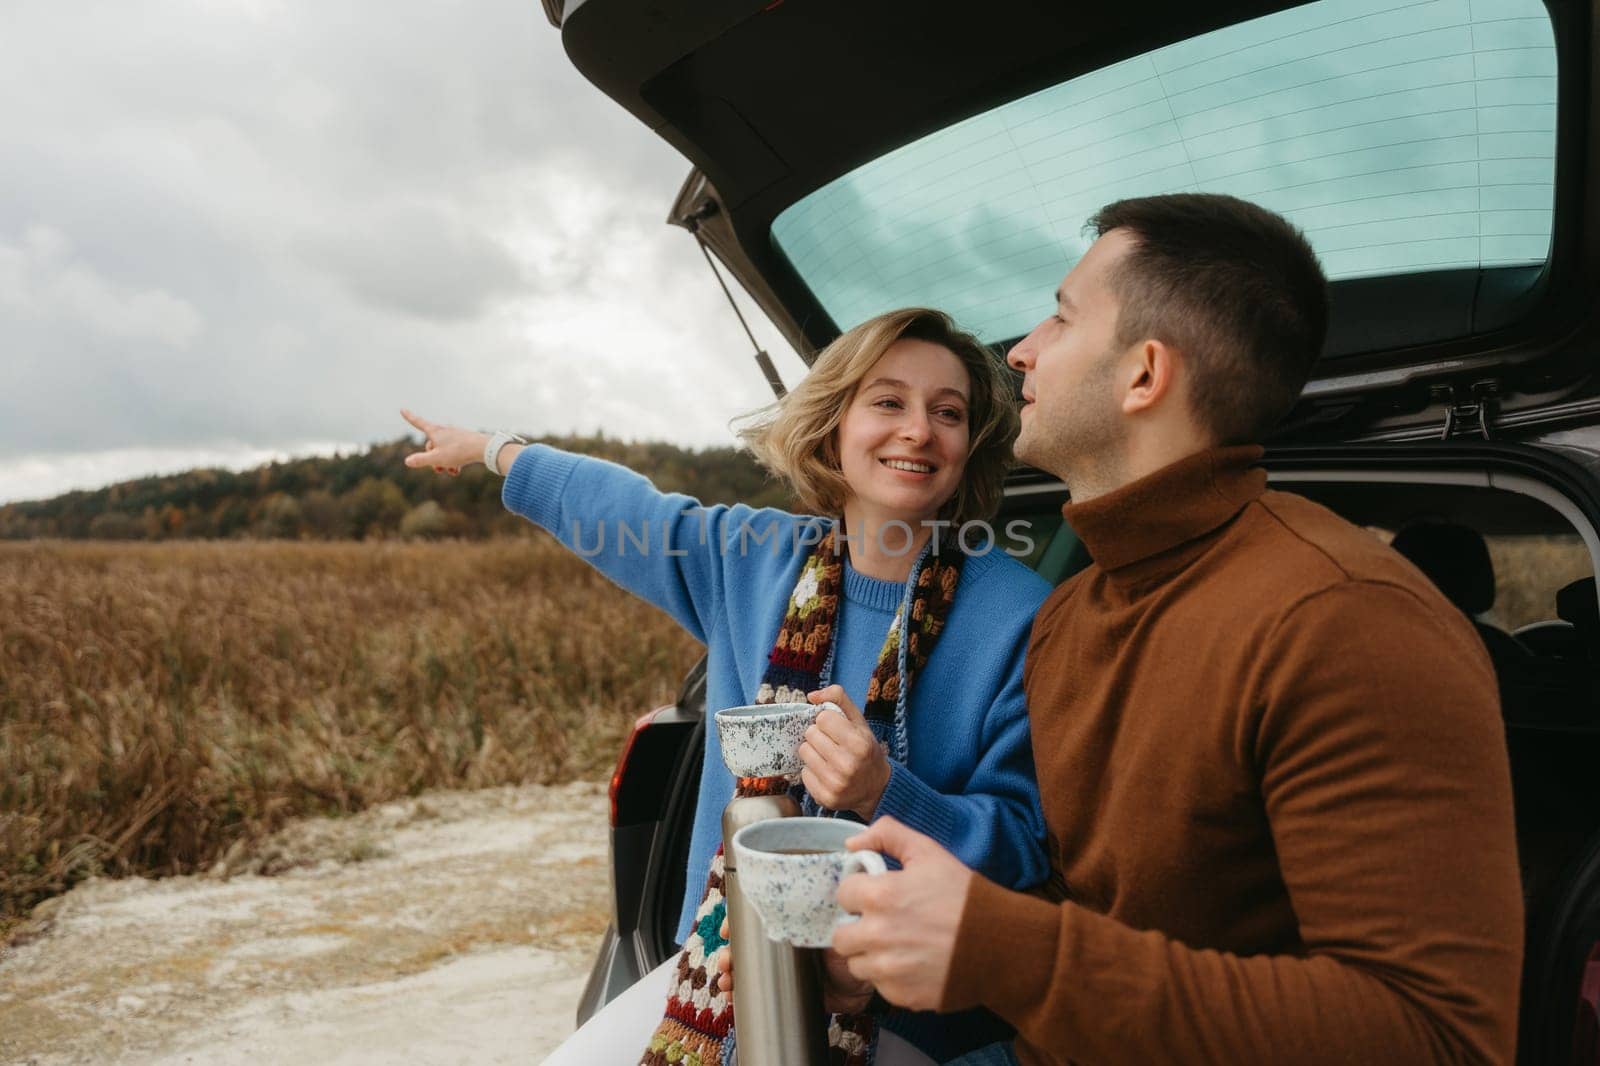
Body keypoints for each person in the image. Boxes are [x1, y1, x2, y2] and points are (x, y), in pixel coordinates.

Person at [830, 194, 1525, 1064]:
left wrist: (1009, 952)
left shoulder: (1348, 621)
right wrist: (894, 943)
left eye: (1060, 315)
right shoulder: (1073, 617)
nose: (1022, 351)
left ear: (1144, 375)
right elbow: (1075, 902)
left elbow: (1439, 1039)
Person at [400, 306, 1051, 1063]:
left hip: (914, 1013)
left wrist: (884, 791)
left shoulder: (1020, 614)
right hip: (725, 968)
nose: (918, 430)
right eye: (888, 401)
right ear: (832, 425)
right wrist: (494, 450)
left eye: (948, 412)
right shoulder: (750, 558)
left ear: (970, 447)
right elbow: (625, 511)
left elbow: (1025, 847)